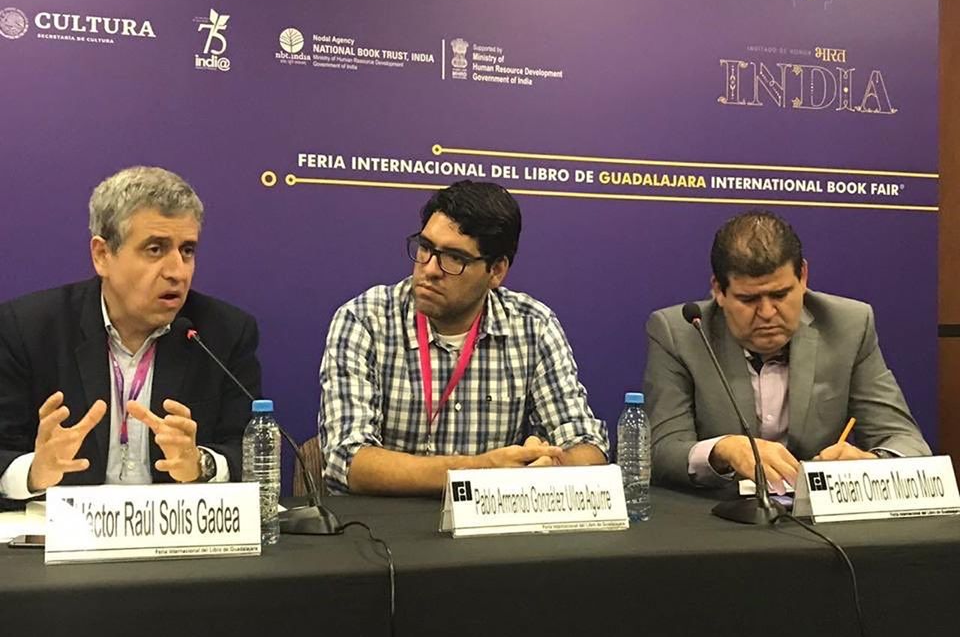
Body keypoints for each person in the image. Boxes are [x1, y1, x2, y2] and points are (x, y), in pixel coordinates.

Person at [319, 181, 608, 495]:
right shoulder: (365, 319)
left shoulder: (533, 326)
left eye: (454, 258)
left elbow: (587, 446)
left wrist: (552, 466)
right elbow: (347, 461)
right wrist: (480, 470)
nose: (430, 269)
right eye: (426, 247)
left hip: (491, 521)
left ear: (496, 271)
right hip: (385, 522)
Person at [0, 166, 261, 500]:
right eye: (155, 249)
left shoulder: (223, 333)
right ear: (102, 255)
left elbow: (250, 453)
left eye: (187, 250)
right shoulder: (29, 329)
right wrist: (34, 472)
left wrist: (201, 464)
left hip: (175, 528)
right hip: (66, 528)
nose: (177, 271)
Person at [644, 210, 930, 491]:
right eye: (748, 299)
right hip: (716, 511)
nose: (767, 313)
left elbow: (905, 440)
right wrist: (723, 450)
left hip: (817, 509)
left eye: (780, 295)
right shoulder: (681, 332)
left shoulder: (849, 326)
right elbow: (662, 451)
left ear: (803, 276)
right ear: (719, 290)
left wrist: (871, 462)